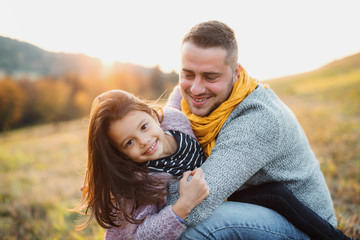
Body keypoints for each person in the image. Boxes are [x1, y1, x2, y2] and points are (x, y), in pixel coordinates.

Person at [164, 20, 343, 239]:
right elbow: (156, 143)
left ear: (235, 73)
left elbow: (191, 206)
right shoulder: (185, 96)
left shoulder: (258, 119)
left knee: (188, 227)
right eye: (188, 74)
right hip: (256, 204)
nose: (196, 88)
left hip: (303, 226)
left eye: (210, 77)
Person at [77, 89, 209, 239]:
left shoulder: (173, 119)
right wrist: (184, 205)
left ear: (153, 115)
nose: (144, 141)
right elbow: (140, 236)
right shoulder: (140, 181)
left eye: (144, 127)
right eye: (129, 142)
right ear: (121, 154)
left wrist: (185, 87)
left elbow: (175, 101)